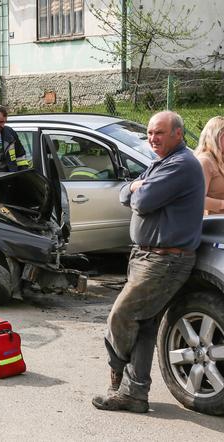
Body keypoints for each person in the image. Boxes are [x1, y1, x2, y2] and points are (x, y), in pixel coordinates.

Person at [91, 111, 204, 413]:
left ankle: (118, 376)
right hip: (146, 256)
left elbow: (141, 201)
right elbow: (124, 192)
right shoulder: (162, 162)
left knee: (122, 315)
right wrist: (133, 188)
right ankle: (135, 394)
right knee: (142, 324)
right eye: (151, 133)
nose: (153, 138)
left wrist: (136, 190)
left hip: (164, 260)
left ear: (178, 134)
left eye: (160, 133)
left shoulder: (181, 164)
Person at [195, 116, 224, 215]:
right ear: (215, 137)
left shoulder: (219, 158)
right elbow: (196, 199)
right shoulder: (205, 161)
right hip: (214, 224)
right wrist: (222, 204)